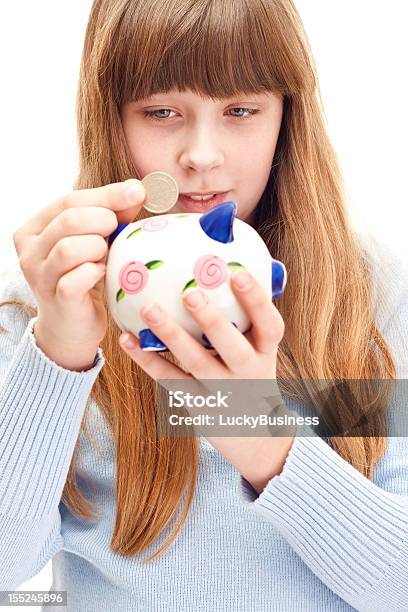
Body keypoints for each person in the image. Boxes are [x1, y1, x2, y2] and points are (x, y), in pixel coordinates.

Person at [0, 0, 407, 610]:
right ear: (109, 117)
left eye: (240, 109)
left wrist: (261, 439)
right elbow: (9, 563)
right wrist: (57, 358)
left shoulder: (363, 291)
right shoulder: (51, 294)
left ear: (286, 120)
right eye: (162, 111)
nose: (201, 155)